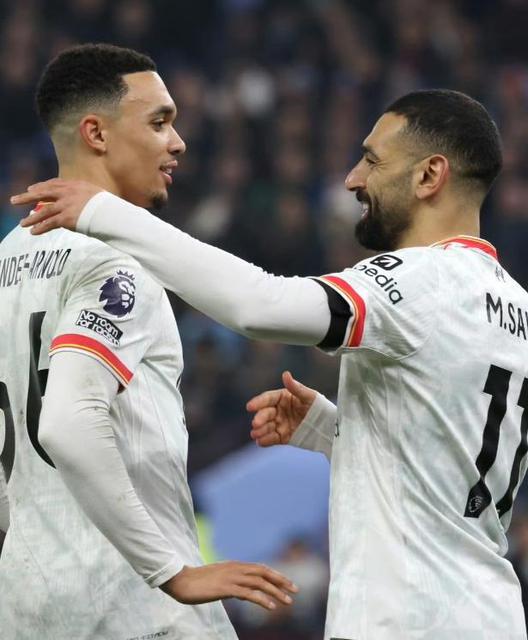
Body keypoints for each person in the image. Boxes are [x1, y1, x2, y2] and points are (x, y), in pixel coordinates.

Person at [14, 88, 528, 639]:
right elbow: (451, 473)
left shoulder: (421, 282)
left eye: (373, 161)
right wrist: (329, 429)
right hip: (490, 613)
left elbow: (261, 305)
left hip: (406, 620)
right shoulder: (515, 306)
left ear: (429, 176)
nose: (352, 179)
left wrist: (102, 211)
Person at [0, 43, 298, 640]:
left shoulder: (7, 260)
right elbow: (69, 422)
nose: (178, 142)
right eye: (159, 122)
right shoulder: (114, 262)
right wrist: (172, 572)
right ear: (96, 134)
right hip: (133, 606)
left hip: (29, 604)